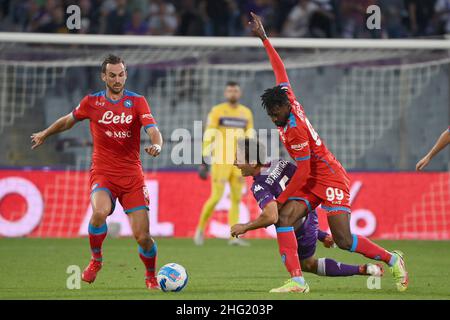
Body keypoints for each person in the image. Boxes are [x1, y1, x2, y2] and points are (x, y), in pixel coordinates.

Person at [249, 12, 408, 293]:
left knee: (344, 240)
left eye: (277, 114)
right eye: (271, 115)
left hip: (329, 177)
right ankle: (298, 281)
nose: (275, 119)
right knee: (284, 218)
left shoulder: (295, 131)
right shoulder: (288, 99)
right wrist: (264, 39)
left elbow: (306, 171)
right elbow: (280, 70)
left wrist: (283, 197)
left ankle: (392, 258)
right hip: (313, 178)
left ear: (286, 107)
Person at [30, 54, 163, 290]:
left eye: (121, 74)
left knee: (143, 237)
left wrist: (158, 145)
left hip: (132, 177)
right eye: (112, 75)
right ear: (104, 77)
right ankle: (96, 260)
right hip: (103, 173)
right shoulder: (92, 102)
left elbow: (153, 130)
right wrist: (45, 133)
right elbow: (68, 121)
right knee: (100, 212)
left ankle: (151, 275)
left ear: (126, 74)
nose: (117, 79)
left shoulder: (138, 101)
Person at [231, 138, 384, 292]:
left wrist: (245, 227)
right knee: (309, 264)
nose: (235, 163)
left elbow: (271, 216)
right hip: (308, 214)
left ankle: (297, 281)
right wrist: (321, 234)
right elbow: (298, 194)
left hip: (297, 223)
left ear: (251, 162)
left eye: (238, 158)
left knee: (298, 247)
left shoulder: (260, 185)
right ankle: (364, 269)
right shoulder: (280, 163)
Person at [194, 82, 254, 246]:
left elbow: (249, 137)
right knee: (216, 197)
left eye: (235, 90)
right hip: (220, 161)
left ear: (239, 93)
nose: (232, 93)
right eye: (229, 90)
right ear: (225, 93)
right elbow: (209, 134)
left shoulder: (246, 113)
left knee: (236, 199)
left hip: (239, 163)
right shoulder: (217, 111)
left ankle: (233, 237)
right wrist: (204, 160)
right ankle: (200, 230)